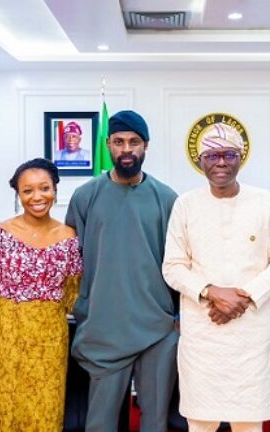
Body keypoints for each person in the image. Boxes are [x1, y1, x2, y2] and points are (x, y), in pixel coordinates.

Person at [162, 122, 270, 431]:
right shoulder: (185, 205)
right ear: (200, 162)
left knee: (248, 423)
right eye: (212, 156)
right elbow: (172, 266)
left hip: (249, 334)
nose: (221, 162)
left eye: (229, 154)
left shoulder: (266, 202)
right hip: (202, 334)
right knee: (200, 422)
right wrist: (212, 292)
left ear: (241, 158)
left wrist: (242, 297)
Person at [65, 110, 179, 431]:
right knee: (99, 423)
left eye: (134, 142)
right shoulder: (86, 196)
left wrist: (177, 319)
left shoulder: (167, 199)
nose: (126, 149)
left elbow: (179, 263)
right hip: (104, 327)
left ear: (146, 146)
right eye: (118, 142)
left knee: (155, 422)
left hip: (157, 328)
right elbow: (74, 261)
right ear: (108, 145)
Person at [0, 158, 82, 431]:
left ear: (55, 190)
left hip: (50, 342)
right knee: (6, 412)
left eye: (44, 188)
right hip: (6, 340)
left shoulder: (69, 238)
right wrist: (7, 322)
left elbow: (73, 297)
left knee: (47, 412)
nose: (37, 197)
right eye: (28, 190)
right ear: (18, 194)